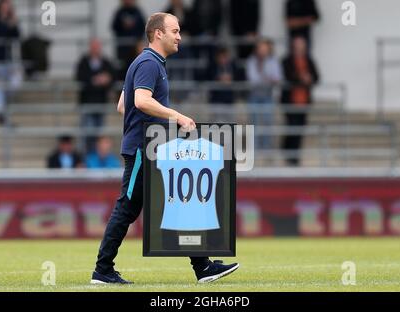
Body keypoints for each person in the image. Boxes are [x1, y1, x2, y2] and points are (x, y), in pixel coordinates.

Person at [91, 12, 239, 285]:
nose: (180, 36)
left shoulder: (144, 62)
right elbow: (140, 100)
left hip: (153, 148)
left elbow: (122, 105)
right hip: (141, 149)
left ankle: (203, 266)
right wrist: (176, 116)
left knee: (180, 202)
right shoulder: (149, 63)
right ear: (158, 33)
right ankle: (102, 270)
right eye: (175, 30)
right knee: (127, 208)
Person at [280, 36, 319, 166]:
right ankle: (289, 152)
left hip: (304, 101)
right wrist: (300, 78)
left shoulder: (309, 60)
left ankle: (294, 155)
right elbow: (287, 76)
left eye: (302, 45)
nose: (300, 48)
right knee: (292, 127)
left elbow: (316, 76)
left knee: (300, 128)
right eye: (297, 45)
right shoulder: (287, 61)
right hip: (290, 100)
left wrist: (309, 79)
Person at [75, 38, 115, 152]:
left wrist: (107, 79)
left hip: (101, 102)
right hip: (87, 102)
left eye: (97, 47)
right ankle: (85, 154)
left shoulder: (105, 62)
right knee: (87, 130)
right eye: (94, 47)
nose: (96, 49)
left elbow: (113, 76)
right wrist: (95, 80)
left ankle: (94, 154)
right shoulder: (84, 61)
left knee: (98, 132)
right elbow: (80, 77)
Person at [0, 0, 21, 125]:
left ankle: (2, 105)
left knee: (15, 82)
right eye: (4, 5)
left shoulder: (11, 21)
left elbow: (17, 37)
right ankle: (0, 113)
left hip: (8, 60)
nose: (6, 8)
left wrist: (13, 24)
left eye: (8, 6)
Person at [246, 38, 282, 149]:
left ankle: (266, 147)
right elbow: (253, 80)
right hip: (254, 95)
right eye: (261, 48)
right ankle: (254, 147)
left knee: (268, 121)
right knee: (254, 122)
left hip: (268, 95)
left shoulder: (273, 60)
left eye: (265, 49)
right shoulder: (251, 61)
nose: (263, 51)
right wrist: (267, 79)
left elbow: (277, 77)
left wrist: (266, 79)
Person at [111, 0, 146, 75]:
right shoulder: (119, 12)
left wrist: (138, 41)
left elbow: (143, 27)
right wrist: (123, 25)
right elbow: (114, 27)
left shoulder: (137, 12)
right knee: (123, 69)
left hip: (135, 49)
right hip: (123, 49)